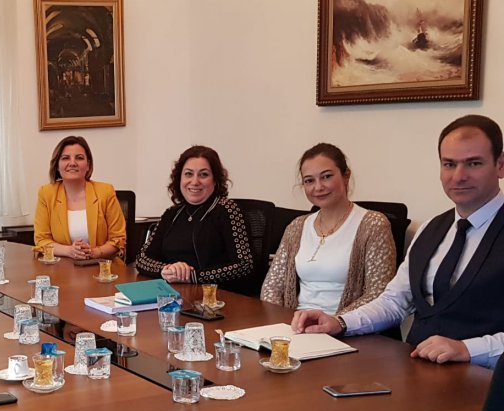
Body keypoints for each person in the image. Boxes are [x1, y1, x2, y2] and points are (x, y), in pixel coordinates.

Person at [292, 115, 504, 369]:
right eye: (449, 164)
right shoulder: (431, 230)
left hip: (485, 379)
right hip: (415, 368)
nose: (459, 176)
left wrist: (468, 349)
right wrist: (340, 322)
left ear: (500, 165)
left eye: (474, 163)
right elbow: (394, 302)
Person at [261, 143, 396, 315]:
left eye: (326, 177)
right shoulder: (296, 226)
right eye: (309, 180)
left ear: (346, 176)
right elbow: (272, 287)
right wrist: (279, 321)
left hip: (348, 325)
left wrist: (334, 323)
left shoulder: (373, 224)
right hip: (296, 323)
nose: (318, 187)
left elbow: (378, 294)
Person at [136, 145, 253, 286]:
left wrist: (193, 276)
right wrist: (166, 270)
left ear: (215, 180)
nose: (195, 181)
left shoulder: (229, 210)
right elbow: (142, 259)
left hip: (215, 294)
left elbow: (244, 265)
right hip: (172, 292)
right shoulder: (171, 214)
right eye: (188, 174)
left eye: (203, 175)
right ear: (179, 178)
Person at [34, 136, 126, 260]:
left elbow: (118, 240)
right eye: (65, 158)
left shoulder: (105, 192)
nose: (72, 163)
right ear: (57, 166)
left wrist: (94, 252)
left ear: (88, 165)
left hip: (102, 266)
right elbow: (42, 240)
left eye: (79, 158)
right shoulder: (46, 193)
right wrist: (69, 251)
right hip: (61, 267)